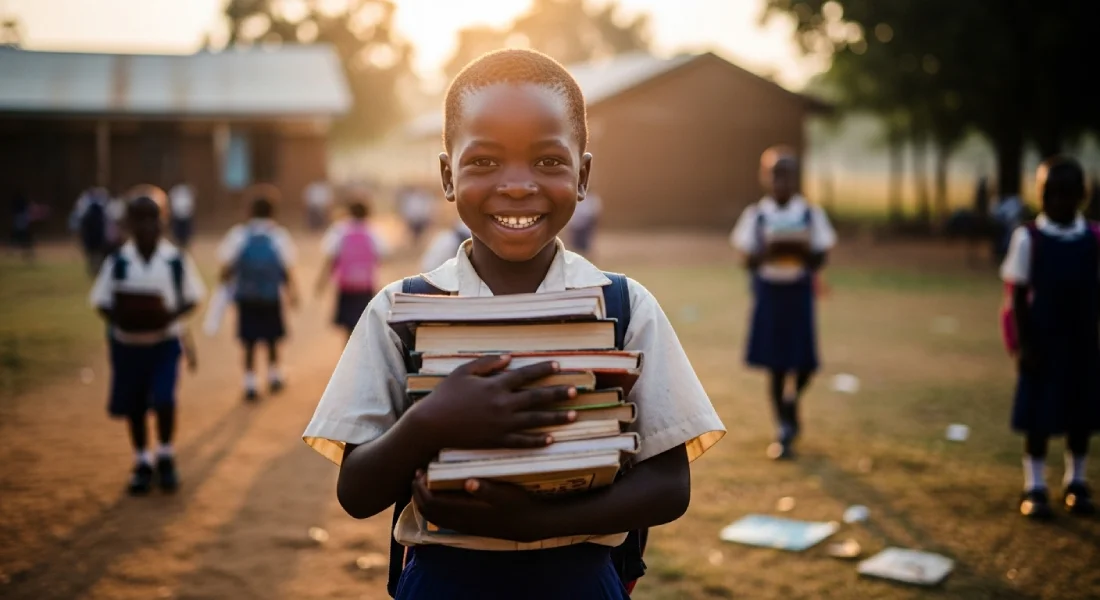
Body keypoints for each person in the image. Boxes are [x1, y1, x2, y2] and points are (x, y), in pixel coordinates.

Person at [302, 49, 725, 600]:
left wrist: (535, 524)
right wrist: (430, 422)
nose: (518, 184)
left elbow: (670, 486)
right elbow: (357, 492)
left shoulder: (622, 306)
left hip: (579, 581)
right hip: (445, 580)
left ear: (583, 175)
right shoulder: (402, 311)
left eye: (549, 162)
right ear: (448, 176)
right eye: (484, 162)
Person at [89, 185, 206, 495]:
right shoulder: (118, 263)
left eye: (152, 217)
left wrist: (168, 316)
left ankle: (165, 456)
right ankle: (142, 461)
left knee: (164, 399)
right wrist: (125, 317)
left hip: (164, 344)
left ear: (164, 220)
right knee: (136, 405)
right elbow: (101, 302)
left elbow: (194, 297)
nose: (146, 225)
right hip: (128, 346)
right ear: (128, 223)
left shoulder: (175, 261)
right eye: (138, 218)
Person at [1000, 156, 1099, 519]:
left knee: (1081, 416)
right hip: (1043, 340)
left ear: (1080, 196)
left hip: (1083, 340)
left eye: (1066, 193)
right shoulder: (1029, 238)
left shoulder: (1092, 238)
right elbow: (1017, 295)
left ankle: (1076, 481)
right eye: (1050, 193)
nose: (1058, 201)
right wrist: (1024, 344)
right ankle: (1035, 486)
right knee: (1038, 417)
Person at [730, 146, 836, 460]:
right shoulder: (756, 216)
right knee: (776, 366)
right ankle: (783, 430)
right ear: (766, 178)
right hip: (770, 293)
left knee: (804, 363)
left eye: (787, 175)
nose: (782, 182)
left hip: (798, 293)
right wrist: (765, 253)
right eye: (776, 175)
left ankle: (791, 402)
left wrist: (802, 252)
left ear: (796, 179)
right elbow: (746, 259)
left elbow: (821, 255)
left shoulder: (810, 214)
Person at [218, 184, 299, 401]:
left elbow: (226, 268)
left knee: (249, 341)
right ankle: (274, 375)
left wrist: (226, 284)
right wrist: (292, 293)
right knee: (272, 338)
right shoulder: (279, 236)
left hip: (246, 297)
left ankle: (250, 382)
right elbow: (287, 268)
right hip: (271, 297)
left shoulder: (238, 235)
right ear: (274, 212)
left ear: (249, 211)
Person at [316, 191, 388, 340]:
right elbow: (381, 256)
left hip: (346, 286)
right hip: (365, 286)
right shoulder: (373, 232)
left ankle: (349, 355)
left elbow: (331, 258)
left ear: (348, 212)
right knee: (364, 323)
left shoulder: (340, 230)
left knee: (348, 326)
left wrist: (321, 282)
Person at [70, 186, 111, 276]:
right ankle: (96, 270)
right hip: (97, 239)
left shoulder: (87, 210)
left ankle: (94, 270)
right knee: (96, 256)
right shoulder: (97, 209)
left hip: (92, 239)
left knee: (93, 256)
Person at [567, 189, 601, 256]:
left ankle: (587, 258)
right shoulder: (575, 198)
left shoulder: (592, 199)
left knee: (586, 245)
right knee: (575, 245)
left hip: (586, 224)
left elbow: (595, 212)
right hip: (576, 225)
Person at [168, 181, 196, 249]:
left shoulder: (187, 191)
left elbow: (191, 202)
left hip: (186, 215)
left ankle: (185, 243)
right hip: (177, 215)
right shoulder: (175, 191)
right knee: (178, 232)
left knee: (186, 232)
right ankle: (178, 242)